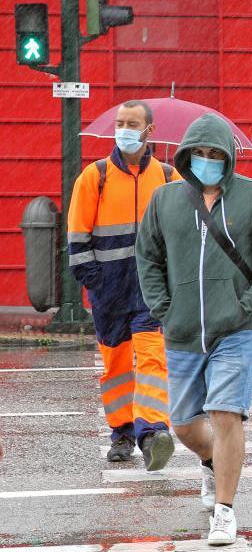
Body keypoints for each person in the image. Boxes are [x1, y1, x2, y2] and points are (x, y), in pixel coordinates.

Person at [136, 114, 252, 546]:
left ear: (229, 157)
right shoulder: (165, 201)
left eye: (215, 154)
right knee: (183, 425)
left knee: (225, 413)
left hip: (236, 327)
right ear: (185, 157)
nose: (206, 161)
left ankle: (224, 510)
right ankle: (210, 462)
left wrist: (249, 304)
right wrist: (164, 308)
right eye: (198, 154)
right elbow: (147, 257)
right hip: (182, 329)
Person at [67, 99, 178, 470]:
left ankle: (152, 431)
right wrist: (95, 282)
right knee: (116, 365)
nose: (124, 129)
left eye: (132, 123)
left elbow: (185, 231)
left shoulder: (167, 177)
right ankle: (121, 432)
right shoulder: (94, 176)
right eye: (120, 122)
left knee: (152, 358)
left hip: (151, 289)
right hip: (109, 290)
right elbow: (77, 237)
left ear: (150, 131)